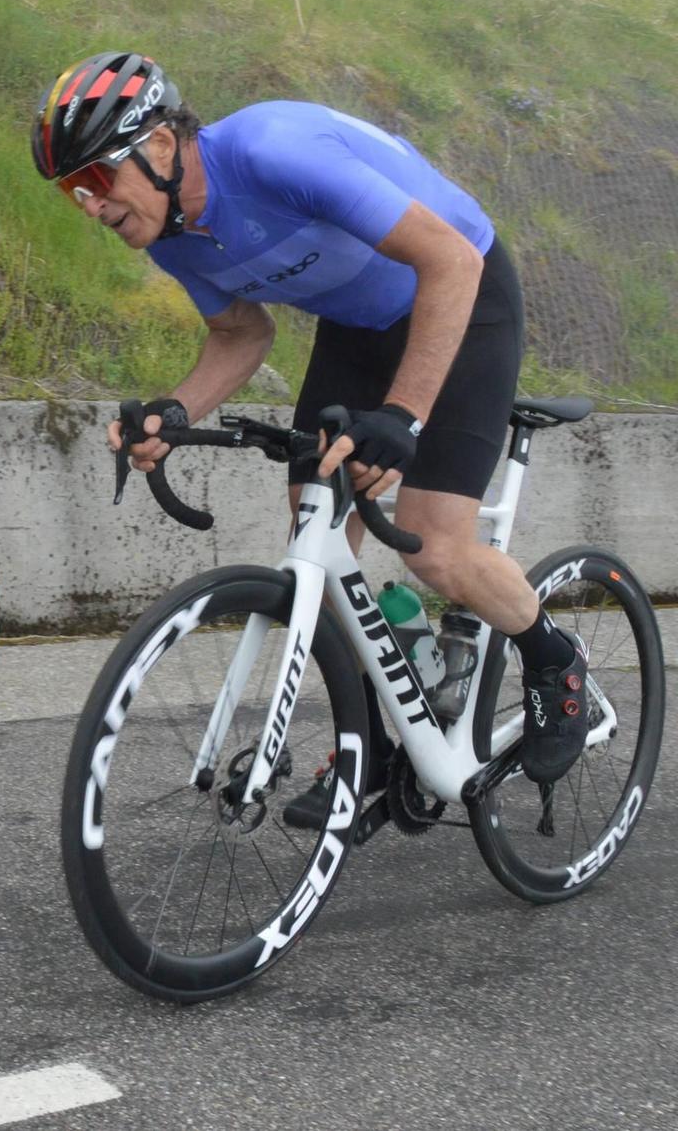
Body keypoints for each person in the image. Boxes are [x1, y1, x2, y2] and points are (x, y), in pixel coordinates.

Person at [31, 50, 587, 786]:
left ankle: (556, 662)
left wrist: (404, 416)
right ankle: (372, 750)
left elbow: (450, 262)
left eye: (97, 180)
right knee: (317, 541)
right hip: (356, 330)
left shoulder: (272, 152)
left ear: (159, 146)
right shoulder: (173, 235)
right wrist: (175, 412)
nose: (92, 207)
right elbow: (242, 332)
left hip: (462, 296)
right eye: (75, 192)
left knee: (436, 547)